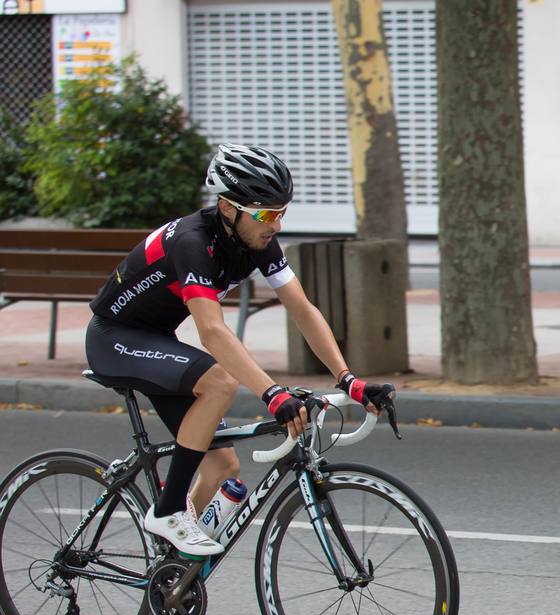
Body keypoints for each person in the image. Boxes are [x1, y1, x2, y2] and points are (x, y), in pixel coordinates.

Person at [86, 144, 394, 562]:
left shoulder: (259, 240)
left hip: (156, 340)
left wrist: (348, 379)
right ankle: (168, 511)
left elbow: (302, 310)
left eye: (282, 212)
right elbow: (212, 331)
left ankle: (174, 571)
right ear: (229, 208)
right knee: (218, 383)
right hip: (114, 337)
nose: (276, 223)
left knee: (222, 466)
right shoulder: (193, 242)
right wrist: (272, 393)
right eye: (266, 213)